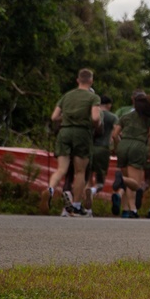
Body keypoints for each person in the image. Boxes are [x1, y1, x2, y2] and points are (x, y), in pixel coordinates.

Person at [48, 69, 101, 216]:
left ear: (77, 80)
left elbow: (54, 117)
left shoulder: (67, 96)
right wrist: (94, 125)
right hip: (81, 133)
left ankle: (50, 189)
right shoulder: (93, 97)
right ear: (91, 81)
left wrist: (67, 117)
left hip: (64, 132)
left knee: (61, 169)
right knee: (80, 171)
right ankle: (76, 205)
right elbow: (96, 118)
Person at [110, 92, 150, 218]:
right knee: (136, 184)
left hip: (123, 144)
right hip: (138, 146)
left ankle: (132, 210)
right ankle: (122, 179)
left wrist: (117, 147)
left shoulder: (125, 116)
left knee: (129, 185)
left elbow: (115, 135)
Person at [87, 95, 118, 212]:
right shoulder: (113, 117)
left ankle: (86, 209)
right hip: (103, 149)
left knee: (87, 177)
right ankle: (94, 190)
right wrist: (116, 148)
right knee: (100, 181)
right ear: (109, 104)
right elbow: (116, 134)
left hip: (89, 148)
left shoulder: (91, 114)